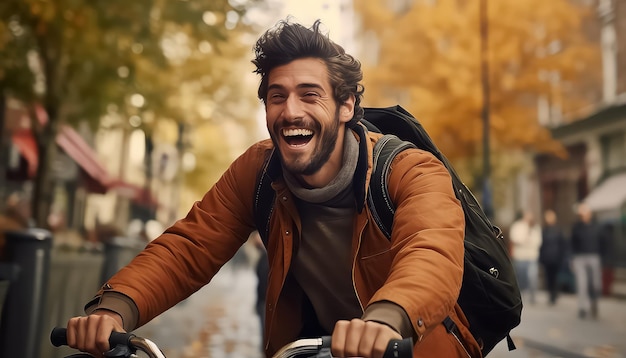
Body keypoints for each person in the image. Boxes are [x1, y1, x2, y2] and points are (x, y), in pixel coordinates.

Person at [64, 19, 481, 358]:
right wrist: (114, 312)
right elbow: (189, 246)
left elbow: (431, 251)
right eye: (277, 96)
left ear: (347, 106)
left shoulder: (408, 170)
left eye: (309, 95)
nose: (290, 111)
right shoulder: (259, 170)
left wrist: (386, 320)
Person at [570, 203, 603, 319]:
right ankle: (583, 308)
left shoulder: (597, 226)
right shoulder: (576, 227)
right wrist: (572, 259)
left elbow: (603, 242)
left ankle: (594, 304)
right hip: (580, 258)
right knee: (581, 284)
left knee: (595, 284)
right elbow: (572, 243)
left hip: (594, 256)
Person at [509, 210, 542, 305]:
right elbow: (515, 239)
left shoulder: (535, 227)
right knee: (521, 276)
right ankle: (520, 295)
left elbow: (537, 241)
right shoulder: (517, 226)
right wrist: (525, 240)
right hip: (520, 256)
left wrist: (526, 241)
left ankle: (533, 296)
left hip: (532, 256)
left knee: (533, 277)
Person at [538, 209, 567, 305]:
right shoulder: (544, 230)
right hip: (547, 257)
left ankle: (554, 294)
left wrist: (562, 257)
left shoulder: (558, 230)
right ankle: (551, 295)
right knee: (549, 277)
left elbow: (562, 244)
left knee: (555, 277)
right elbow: (541, 245)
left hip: (556, 257)